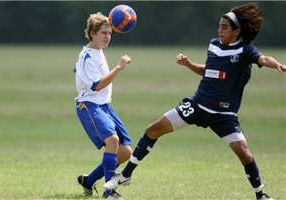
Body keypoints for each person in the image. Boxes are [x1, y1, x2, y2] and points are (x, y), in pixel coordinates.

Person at [103, 2, 286, 200]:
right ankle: (126, 175)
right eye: (219, 26)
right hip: (197, 105)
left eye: (224, 27)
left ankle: (261, 195)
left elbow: (264, 59)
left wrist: (277, 64)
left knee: (245, 156)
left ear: (237, 31)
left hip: (223, 115)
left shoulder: (246, 50)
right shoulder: (214, 44)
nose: (220, 30)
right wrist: (188, 63)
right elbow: (209, 71)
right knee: (152, 130)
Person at [73, 12, 133, 199]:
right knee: (113, 141)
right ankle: (109, 192)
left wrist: (77, 68)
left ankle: (88, 181)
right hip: (89, 105)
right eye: (103, 33)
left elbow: (78, 66)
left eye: (109, 33)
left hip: (104, 105)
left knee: (124, 152)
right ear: (92, 33)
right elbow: (97, 85)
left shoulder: (96, 51)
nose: (107, 37)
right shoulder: (88, 56)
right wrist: (119, 67)